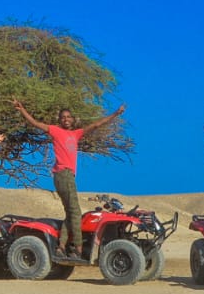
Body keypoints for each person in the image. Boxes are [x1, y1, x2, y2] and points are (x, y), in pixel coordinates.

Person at [12, 98, 125, 263]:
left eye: (68, 117)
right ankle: (77, 248)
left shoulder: (76, 134)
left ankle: (61, 247)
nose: (66, 119)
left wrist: (116, 113)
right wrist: (21, 109)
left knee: (70, 213)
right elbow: (35, 123)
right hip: (63, 175)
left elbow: (96, 125)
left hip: (68, 176)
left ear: (73, 120)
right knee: (76, 213)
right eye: (63, 117)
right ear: (60, 120)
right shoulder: (55, 131)